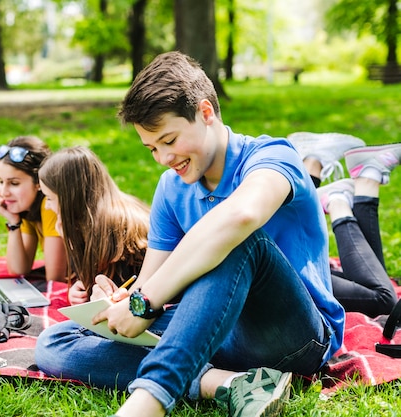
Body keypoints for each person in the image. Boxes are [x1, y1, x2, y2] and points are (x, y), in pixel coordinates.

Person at [35, 51, 345, 417]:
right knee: (57, 339)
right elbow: (148, 283)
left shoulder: (274, 157)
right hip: (212, 331)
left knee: (236, 240)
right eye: (152, 148)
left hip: (292, 336)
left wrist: (145, 302)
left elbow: (242, 216)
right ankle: (227, 383)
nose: (163, 158)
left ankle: (149, 399)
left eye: (169, 140)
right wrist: (123, 303)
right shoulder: (171, 187)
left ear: (206, 113)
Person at [288, 133, 400, 317]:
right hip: (276, 265)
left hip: (274, 267)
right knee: (376, 291)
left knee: (381, 297)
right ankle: (350, 183)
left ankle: (342, 191)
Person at [37, 146, 150, 305]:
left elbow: (115, 291)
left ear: (68, 198)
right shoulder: (88, 220)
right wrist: (79, 290)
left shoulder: (113, 228)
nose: (47, 206)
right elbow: (90, 280)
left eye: (49, 198)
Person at [0, 135, 67, 282]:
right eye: (0, 181)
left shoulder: (50, 206)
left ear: (38, 181)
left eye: (14, 183)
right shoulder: (28, 208)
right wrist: (13, 221)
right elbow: (18, 269)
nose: (4, 192)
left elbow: (55, 279)